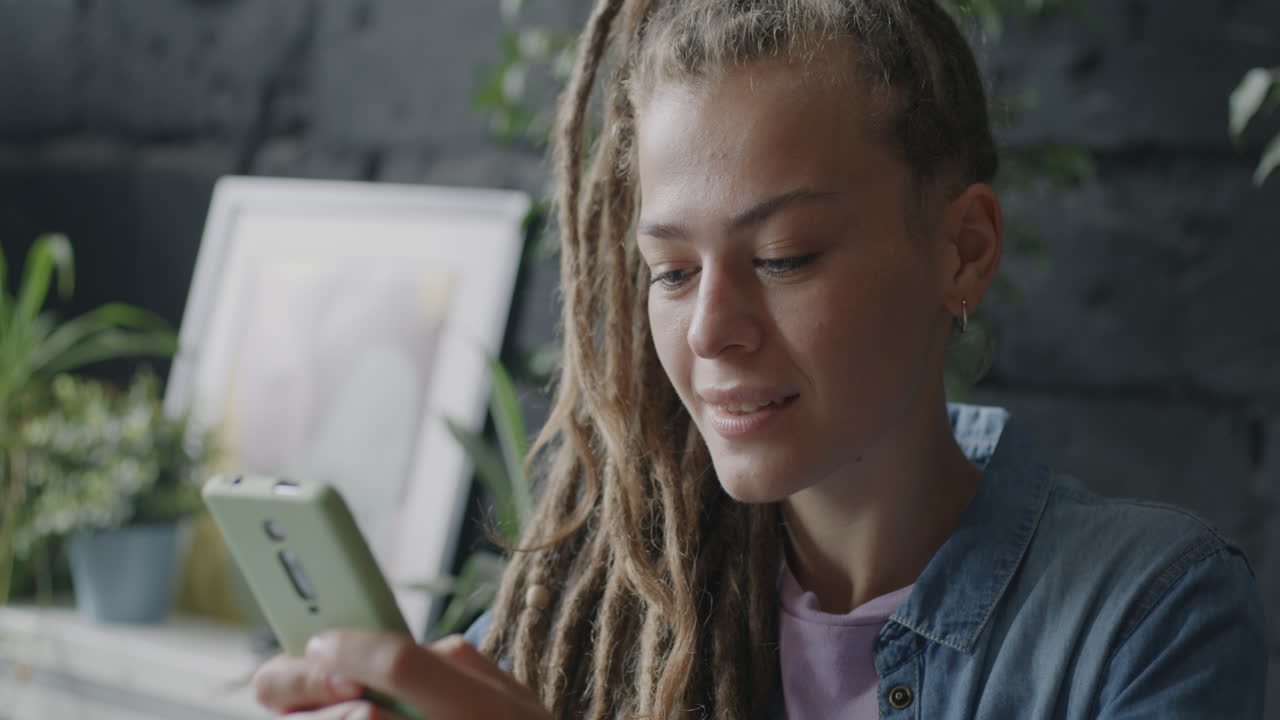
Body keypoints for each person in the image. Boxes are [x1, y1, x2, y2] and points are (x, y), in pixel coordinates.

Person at [249, 1, 1268, 718]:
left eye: (783, 257)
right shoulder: (601, 604)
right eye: (671, 272)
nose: (709, 331)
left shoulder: (1146, 617)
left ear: (962, 249)